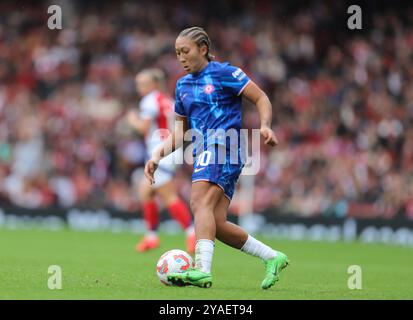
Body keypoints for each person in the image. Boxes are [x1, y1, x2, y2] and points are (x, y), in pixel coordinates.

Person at [144, 27, 289, 289]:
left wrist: (265, 125)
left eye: (185, 51)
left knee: (198, 201)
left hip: (225, 146)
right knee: (216, 223)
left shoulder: (225, 73)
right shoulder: (182, 86)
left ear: (202, 49)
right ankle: (272, 257)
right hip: (204, 150)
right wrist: (158, 154)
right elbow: (180, 131)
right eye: (177, 53)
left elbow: (260, 97)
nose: (181, 57)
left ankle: (201, 269)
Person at [127, 68, 195, 254]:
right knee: (145, 191)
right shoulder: (167, 100)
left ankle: (191, 233)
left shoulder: (150, 100)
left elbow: (143, 127)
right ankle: (151, 237)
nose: (139, 88)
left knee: (168, 195)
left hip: (162, 151)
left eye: (142, 84)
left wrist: (132, 119)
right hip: (170, 150)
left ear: (153, 84)